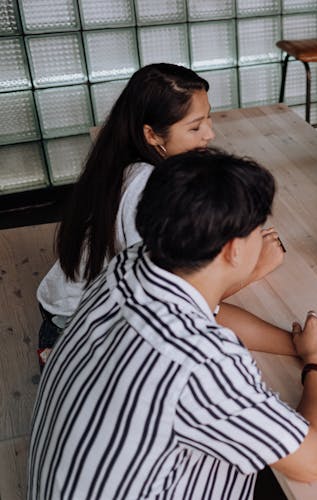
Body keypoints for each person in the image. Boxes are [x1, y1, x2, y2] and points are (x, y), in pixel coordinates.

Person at [29, 149, 317, 498]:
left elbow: (211, 313)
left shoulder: (130, 266)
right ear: (233, 249)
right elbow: (312, 461)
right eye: (257, 229)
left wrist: (299, 345)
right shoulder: (202, 362)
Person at [36, 63, 285, 368]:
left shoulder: (125, 159)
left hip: (69, 308)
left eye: (208, 117)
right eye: (195, 127)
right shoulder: (146, 189)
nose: (210, 133)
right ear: (152, 134)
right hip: (73, 335)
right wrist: (254, 270)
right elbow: (175, 302)